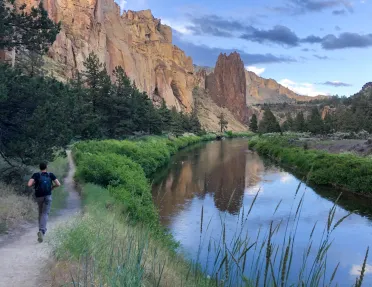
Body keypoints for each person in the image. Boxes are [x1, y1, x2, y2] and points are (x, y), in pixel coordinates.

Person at [28, 162, 61, 243]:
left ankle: (41, 230)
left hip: (39, 196)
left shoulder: (36, 175)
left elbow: (29, 184)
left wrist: (35, 183)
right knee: (45, 213)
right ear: (46, 167)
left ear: (40, 168)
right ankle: (42, 231)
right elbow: (58, 184)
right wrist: (52, 188)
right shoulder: (50, 174)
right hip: (48, 196)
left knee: (40, 213)